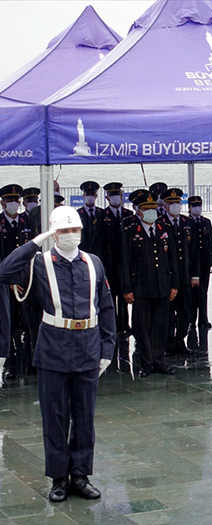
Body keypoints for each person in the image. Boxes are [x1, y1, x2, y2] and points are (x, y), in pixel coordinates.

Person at [0, 206, 115, 502]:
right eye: (63, 231)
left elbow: (106, 307)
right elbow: (4, 272)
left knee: (85, 416)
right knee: (55, 416)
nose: (70, 235)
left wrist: (107, 349)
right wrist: (35, 243)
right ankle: (59, 478)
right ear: (53, 233)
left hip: (88, 346)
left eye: (74, 230)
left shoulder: (94, 263)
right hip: (53, 347)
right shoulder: (39, 263)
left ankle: (80, 475)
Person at [121, 190, 179, 377]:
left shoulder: (164, 229)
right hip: (141, 287)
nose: (151, 212)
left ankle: (159, 360)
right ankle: (146, 362)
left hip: (162, 285)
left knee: (161, 325)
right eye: (146, 209)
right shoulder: (130, 231)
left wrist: (174, 284)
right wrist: (126, 288)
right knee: (142, 326)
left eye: (153, 208)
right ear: (138, 211)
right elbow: (123, 262)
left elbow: (173, 260)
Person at [0, 184, 35, 379]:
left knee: (30, 323)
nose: (13, 203)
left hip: (27, 281)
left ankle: (31, 361)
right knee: (9, 325)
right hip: (6, 283)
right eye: (8, 200)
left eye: (16, 199)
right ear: (2, 202)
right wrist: (9, 281)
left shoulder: (27, 220)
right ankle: (11, 364)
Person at [160, 188, 197, 354]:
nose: (175, 205)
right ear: (165, 205)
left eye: (177, 202)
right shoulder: (161, 224)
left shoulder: (187, 222)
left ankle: (180, 340)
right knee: (168, 312)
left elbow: (195, 251)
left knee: (185, 310)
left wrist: (195, 275)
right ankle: (168, 342)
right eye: (171, 203)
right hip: (168, 277)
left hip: (185, 275)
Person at [101, 182, 133, 335]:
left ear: (122, 196)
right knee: (110, 295)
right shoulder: (102, 216)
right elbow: (98, 242)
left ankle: (124, 325)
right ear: (107, 198)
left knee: (124, 294)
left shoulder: (128, 215)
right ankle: (112, 325)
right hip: (109, 263)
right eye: (112, 195)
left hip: (125, 262)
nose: (115, 198)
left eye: (118, 195)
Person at [188, 195, 212, 329]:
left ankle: (203, 319)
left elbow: (211, 241)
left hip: (205, 261)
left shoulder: (206, 222)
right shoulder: (186, 222)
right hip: (192, 263)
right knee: (192, 293)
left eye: (199, 205)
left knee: (203, 291)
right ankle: (191, 318)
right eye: (194, 206)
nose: (197, 208)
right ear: (189, 208)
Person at [77, 181, 104, 255]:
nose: (90, 196)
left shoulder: (102, 213)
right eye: (87, 194)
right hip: (83, 251)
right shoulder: (78, 213)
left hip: (99, 252)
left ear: (96, 196)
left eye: (92, 194)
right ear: (83, 195)